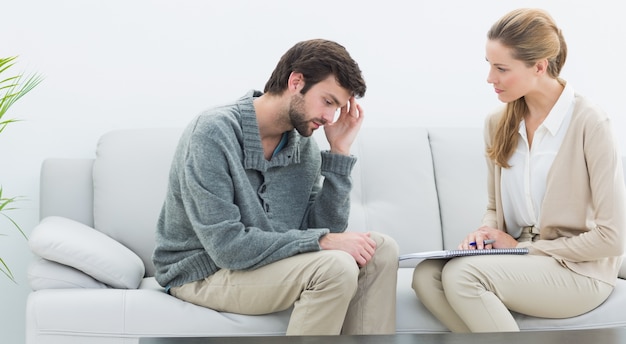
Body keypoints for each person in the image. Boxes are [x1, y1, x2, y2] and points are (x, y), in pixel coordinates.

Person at [152, 39, 399, 336]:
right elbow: (227, 248)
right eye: (329, 101)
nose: (331, 118)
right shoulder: (213, 132)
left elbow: (323, 228)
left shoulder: (303, 146)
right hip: (203, 272)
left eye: (337, 107)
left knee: (381, 250)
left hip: (267, 264)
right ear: (296, 82)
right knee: (335, 268)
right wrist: (320, 242)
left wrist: (339, 152)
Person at [412, 8, 626, 333]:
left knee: (464, 275)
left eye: (501, 68)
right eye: (488, 65)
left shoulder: (589, 123)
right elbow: (494, 208)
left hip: (578, 269)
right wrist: (485, 233)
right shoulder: (497, 123)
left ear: (539, 66)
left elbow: (611, 239)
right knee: (426, 274)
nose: (489, 78)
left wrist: (523, 249)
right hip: (521, 255)